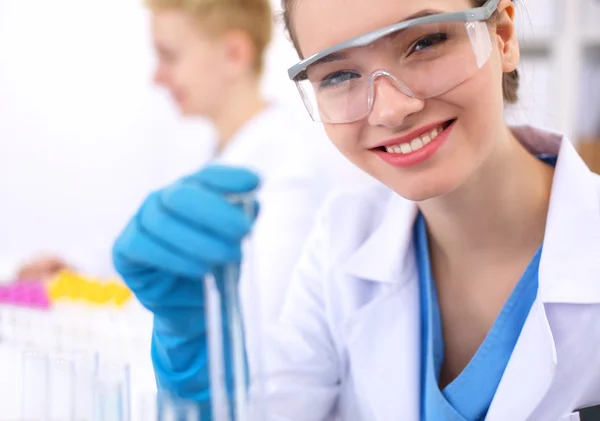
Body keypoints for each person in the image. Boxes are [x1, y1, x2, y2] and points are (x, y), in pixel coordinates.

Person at [114, 0, 600, 419]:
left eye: (426, 42)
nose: (389, 109)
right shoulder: (340, 246)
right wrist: (197, 375)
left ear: (503, 35)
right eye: (340, 74)